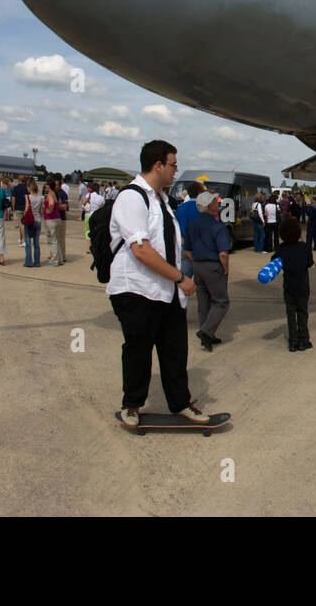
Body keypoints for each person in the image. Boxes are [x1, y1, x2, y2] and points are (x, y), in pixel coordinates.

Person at [107, 140, 208, 428]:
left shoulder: (161, 199)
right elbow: (140, 250)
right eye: (173, 164)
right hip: (137, 289)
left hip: (165, 290)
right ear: (158, 165)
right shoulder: (132, 198)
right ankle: (132, 405)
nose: (177, 170)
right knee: (139, 349)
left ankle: (180, 404)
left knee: (175, 350)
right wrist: (180, 278)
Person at [189, 191, 232, 351]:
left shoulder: (192, 225)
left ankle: (207, 334)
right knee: (221, 301)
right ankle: (206, 332)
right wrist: (225, 269)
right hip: (213, 267)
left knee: (203, 302)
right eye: (215, 201)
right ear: (210, 206)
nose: (217, 203)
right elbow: (222, 252)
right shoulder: (218, 226)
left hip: (197, 265)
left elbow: (187, 249)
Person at [273, 216, 314, 351]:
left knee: (291, 314)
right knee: (302, 312)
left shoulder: (281, 248)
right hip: (302, 285)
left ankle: (293, 342)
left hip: (289, 286)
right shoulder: (305, 247)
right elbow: (309, 263)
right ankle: (304, 340)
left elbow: (274, 261)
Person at [41, 182, 63, 265]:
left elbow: (51, 204)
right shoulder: (56, 194)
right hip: (57, 218)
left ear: (49, 186)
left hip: (51, 219)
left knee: (52, 241)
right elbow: (59, 204)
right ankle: (59, 259)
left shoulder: (50, 194)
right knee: (56, 240)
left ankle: (54, 260)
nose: (45, 187)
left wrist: (49, 210)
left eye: (46, 185)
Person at [22, 179, 42, 267]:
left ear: (29, 188)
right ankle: (37, 262)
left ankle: (28, 261)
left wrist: (24, 216)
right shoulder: (41, 198)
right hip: (38, 220)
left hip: (30, 220)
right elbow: (41, 211)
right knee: (36, 242)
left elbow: (26, 209)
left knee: (28, 241)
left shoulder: (28, 197)